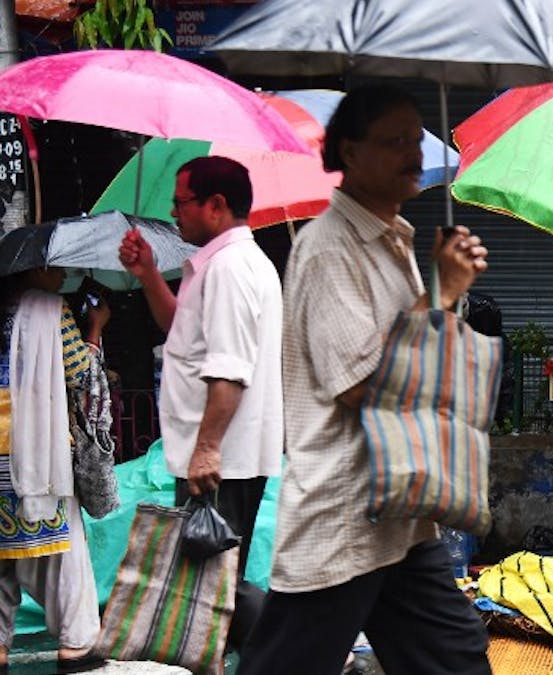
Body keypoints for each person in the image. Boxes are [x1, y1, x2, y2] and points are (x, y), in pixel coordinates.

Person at [236, 86, 491, 675]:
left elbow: (421, 353)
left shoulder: (394, 239)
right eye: (394, 141)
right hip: (345, 511)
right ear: (349, 151)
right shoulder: (329, 250)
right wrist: (443, 293)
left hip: (399, 510)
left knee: (454, 658)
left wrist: (447, 295)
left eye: (416, 137)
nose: (413, 153)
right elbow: (362, 386)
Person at [118, 156, 283, 649]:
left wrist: (207, 448)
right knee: (209, 583)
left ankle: (295, 651)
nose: (174, 212)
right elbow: (181, 333)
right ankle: (289, 650)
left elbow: (229, 368)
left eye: (181, 202)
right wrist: (148, 273)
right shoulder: (218, 265)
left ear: (216, 205)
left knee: (211, 585)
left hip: (219, 460)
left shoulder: (231, 268)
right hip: (216, 456)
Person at [0, 266, 109, 673]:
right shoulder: (51, 309)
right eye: (54, 265)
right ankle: (76, 643)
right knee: (67, 553)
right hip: (36, 449)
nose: (62, 272)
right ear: (34, 269)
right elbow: (80, 375)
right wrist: (94, 331)